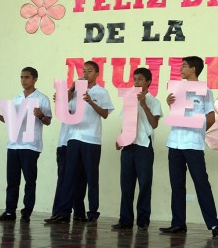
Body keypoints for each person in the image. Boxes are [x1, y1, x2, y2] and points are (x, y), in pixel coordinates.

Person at [159, 56, 218, 238]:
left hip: (193, 144)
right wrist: (170, 104)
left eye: (184, 66)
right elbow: (176, 114)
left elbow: (211, 117)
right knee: (177, 185)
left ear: (193, 69)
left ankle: (214, 224)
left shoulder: (204, 90)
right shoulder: (177, 90)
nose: (180, 69)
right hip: (174, 142)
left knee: (201, 183)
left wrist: (197, 129)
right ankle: (178, 223)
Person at [46, 61, 114, 224]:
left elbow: (105, 114)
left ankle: (92, 212)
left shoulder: (102, 92)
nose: (86, 73)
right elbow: (66, 112)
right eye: (84, 71)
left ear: (97, 74)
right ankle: (63, 213)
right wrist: (64, 97)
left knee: (91, 177)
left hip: (91, 139)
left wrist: (91, 101)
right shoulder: (75, 91)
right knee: (69, 176)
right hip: (74, 137)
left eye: (90, 71)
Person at [0, 67, 52, 222]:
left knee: (30, 181)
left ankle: (26, 212)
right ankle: (10, 211)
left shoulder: (42, 99)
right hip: (13, 144)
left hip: (30, 145)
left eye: (27, 77)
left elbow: (48, 121)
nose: (23, 80)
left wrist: (41, 115)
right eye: (21, 77)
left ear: (35, 79)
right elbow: (12, 121)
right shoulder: (16, 98)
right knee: (12, 181)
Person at [111, 68, 163, 232]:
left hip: (144, 147)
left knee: (145, 183)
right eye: (134, 79)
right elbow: (125, 123)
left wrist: (143, 104)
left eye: (140, 79)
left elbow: (154, 124)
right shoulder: (128, 100)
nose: (136, 82)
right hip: (128, 146)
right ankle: (125, 220)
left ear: (148, 82)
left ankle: (143, 220)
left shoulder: (154, 101)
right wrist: (120, 139)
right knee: (126, 185)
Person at [43, 122, 88, 223]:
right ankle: (60, 212)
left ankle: (79, 212)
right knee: (64, 179)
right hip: (65, 142)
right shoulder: (64, 105)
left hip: (83, 141)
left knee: (81, 177)